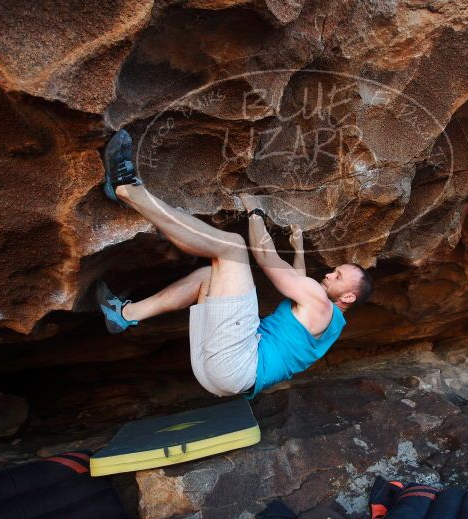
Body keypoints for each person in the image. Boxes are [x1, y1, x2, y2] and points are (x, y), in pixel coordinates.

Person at [96, 130, 373, 399]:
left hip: (238, 362)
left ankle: (127, 189)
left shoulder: (322, 304)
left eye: (337, 276)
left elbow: (265, 258)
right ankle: (124, 314)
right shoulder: (331, 323)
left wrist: (254, 212)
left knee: (233, 248)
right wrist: (298, 249)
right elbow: (298, 287)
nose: (328, 273)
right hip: (222, 377)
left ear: (348, 296)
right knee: (209, 276)